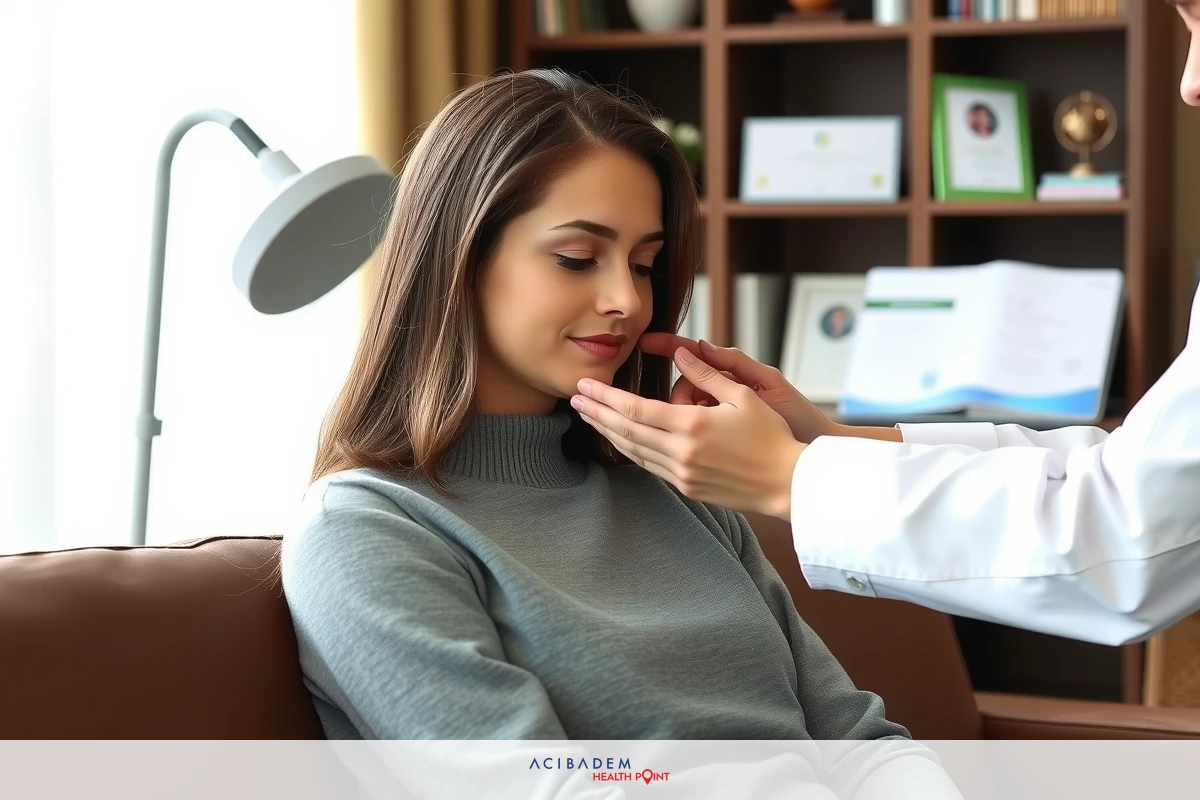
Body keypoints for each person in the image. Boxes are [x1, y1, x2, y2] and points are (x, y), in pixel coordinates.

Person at [280, 68, 959, 796]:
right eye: (577, 258)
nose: (628, 301)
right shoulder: (369, 531)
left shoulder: (681, 497)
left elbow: (862, 745)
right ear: (460, 258)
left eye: (645, 264)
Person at [570, 1, 1200, 649]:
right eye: (575, 259)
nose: (1190, 80)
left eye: (647, 265)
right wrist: (825, 441)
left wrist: (787, 475)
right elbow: (1118, 477)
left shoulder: (701, 529)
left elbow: (1134, 532)